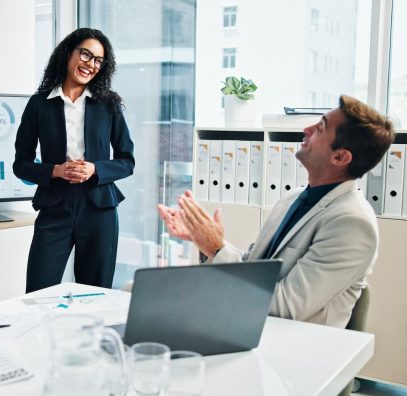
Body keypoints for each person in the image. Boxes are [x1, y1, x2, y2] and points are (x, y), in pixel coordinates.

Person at [157, 95, 394, 328]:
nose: (307, 129)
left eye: (320, 128)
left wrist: (215, 247)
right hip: (250, 324)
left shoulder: (351, 222)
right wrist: (203, 240)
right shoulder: (292, 198)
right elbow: (254, 267)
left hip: (294, 346)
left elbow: (286, 308)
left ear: (340, 156)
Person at [14, 28, 135, 293]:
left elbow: (127, 161)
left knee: (96, 294)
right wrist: (54, 171)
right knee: (37, 292)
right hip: (55, 206)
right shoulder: (39, 105)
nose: (90, 64)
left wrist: (95, 169)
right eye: (86, 54)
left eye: (98, 60)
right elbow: (20, 164)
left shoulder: (108, 105)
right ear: (69, 53)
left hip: (99, 209)